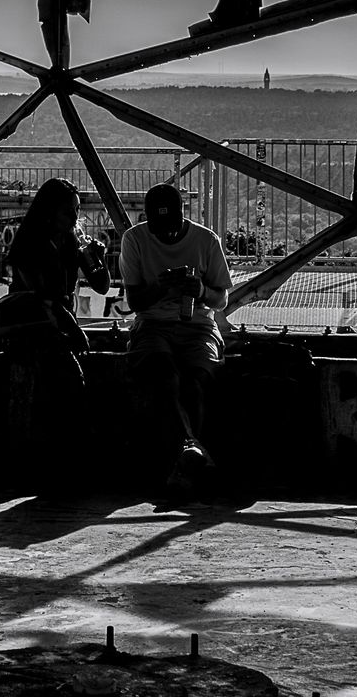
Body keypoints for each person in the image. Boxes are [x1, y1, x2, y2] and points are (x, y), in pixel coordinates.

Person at [0, 179, 109, 480]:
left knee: (63, 378)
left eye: (76, 212)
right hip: (31, 324)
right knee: (68, 377)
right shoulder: (29, 243)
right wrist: (73, 329)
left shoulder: (70, 240)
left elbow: (101, 285)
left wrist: (98, 260)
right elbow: (42, 297)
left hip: (55, 326)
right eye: (68, 212)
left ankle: (62, 459)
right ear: (49, 212)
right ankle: (68, 460)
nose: (74, 219)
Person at [120, 182, 230, 491]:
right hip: (153, 324)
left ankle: (186, 460)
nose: (165, 235)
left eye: (171, 228)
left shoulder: (206, 242)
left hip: (198, 325)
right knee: (164, 375)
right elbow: (136, 302)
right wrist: (161, 287)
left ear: (184, 216)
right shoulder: (135, 240)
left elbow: (221, 299)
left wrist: (200, 291)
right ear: (147, 220)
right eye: (159, 229)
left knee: (196, 382)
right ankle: (194, 453)